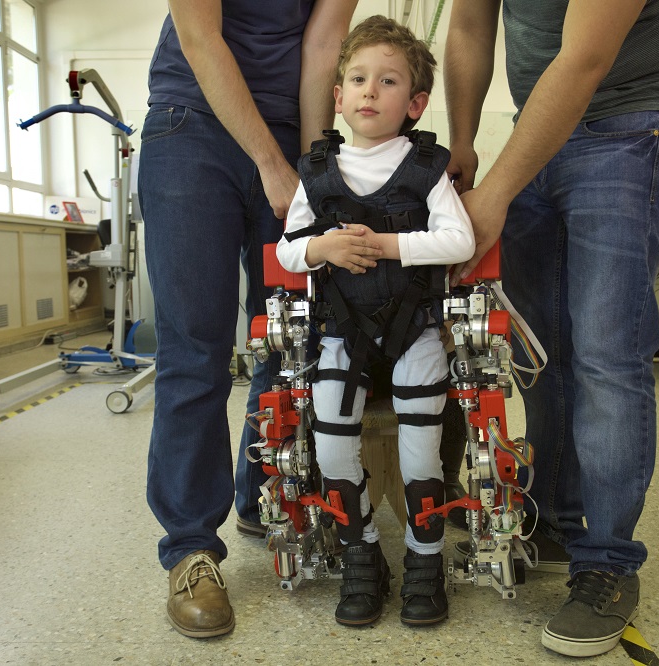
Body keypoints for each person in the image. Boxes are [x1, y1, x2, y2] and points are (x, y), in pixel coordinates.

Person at [444, 0, 659, 657]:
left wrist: (496, 192)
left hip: (630, 124)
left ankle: (608, 564)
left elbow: (585, 57)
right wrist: (465, 143)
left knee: (607, 356)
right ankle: (555, 518)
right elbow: (471, 24)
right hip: (540, 123)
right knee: (544, 346)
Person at [137, 0, 357, 639]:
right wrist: (268, 162)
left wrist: (314, 163)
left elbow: (321, 48)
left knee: (290, 340)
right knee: (194, 347)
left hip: (288, 129)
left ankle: (262, 494)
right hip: (193, 123)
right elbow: (201, 38)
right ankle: (190, 549)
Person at [276, 15, 475, 627]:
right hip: (343, 334)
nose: (369, 90)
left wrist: (388, 247)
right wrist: (323, 248)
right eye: (358, 79)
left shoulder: (427, 172)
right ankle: (362, 555)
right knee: (333, 449)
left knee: (422, 461)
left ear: (413, 103)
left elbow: (458, 239)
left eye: (387, 81)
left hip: (417, 331)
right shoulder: (317, 175)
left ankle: (425, 559)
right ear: (337, 98)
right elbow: (288, 250)